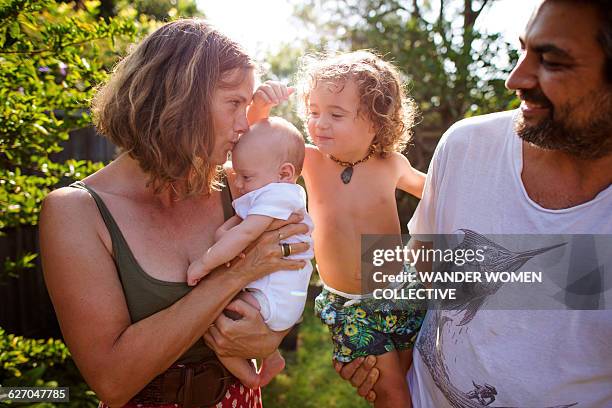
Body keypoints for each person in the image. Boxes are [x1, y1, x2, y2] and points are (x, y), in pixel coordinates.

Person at [335, 0, 612, 406]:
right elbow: (421, 278)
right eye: (523, 51)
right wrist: (389, 371)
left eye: (551, 60)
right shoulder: (467, 146)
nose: (515, 79)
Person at [39, 19, 310, 408]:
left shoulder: (236, 190)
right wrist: (238, 272)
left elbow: (289, 271)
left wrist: (269, 338)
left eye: (247, 106)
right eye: (234, 103)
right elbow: (112, 382)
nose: (241, 126)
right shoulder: (76, 212)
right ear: (179, 98)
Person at [248, 50, 427, 408]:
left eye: (336, 114)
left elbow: (438, 191)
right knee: (390, 393)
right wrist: (258, 110)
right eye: (313, 112)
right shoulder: (310, 160)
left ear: (375, 123)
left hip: (401, 291)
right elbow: (256, 145)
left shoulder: (391, 164)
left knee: (412, 380)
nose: (320, 123)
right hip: (350, 304)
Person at [186, 117, 315, 389]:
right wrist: (224, 236)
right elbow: (239, 226)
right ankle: (271, 356)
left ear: (284, 173)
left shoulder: (278, 195)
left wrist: (204, 262)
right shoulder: (273, 191)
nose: (240, 183)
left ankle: (251, 378)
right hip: (277, 294)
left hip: (273, 297)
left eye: (246, 177)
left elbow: (245, 233)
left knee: (214, 319)